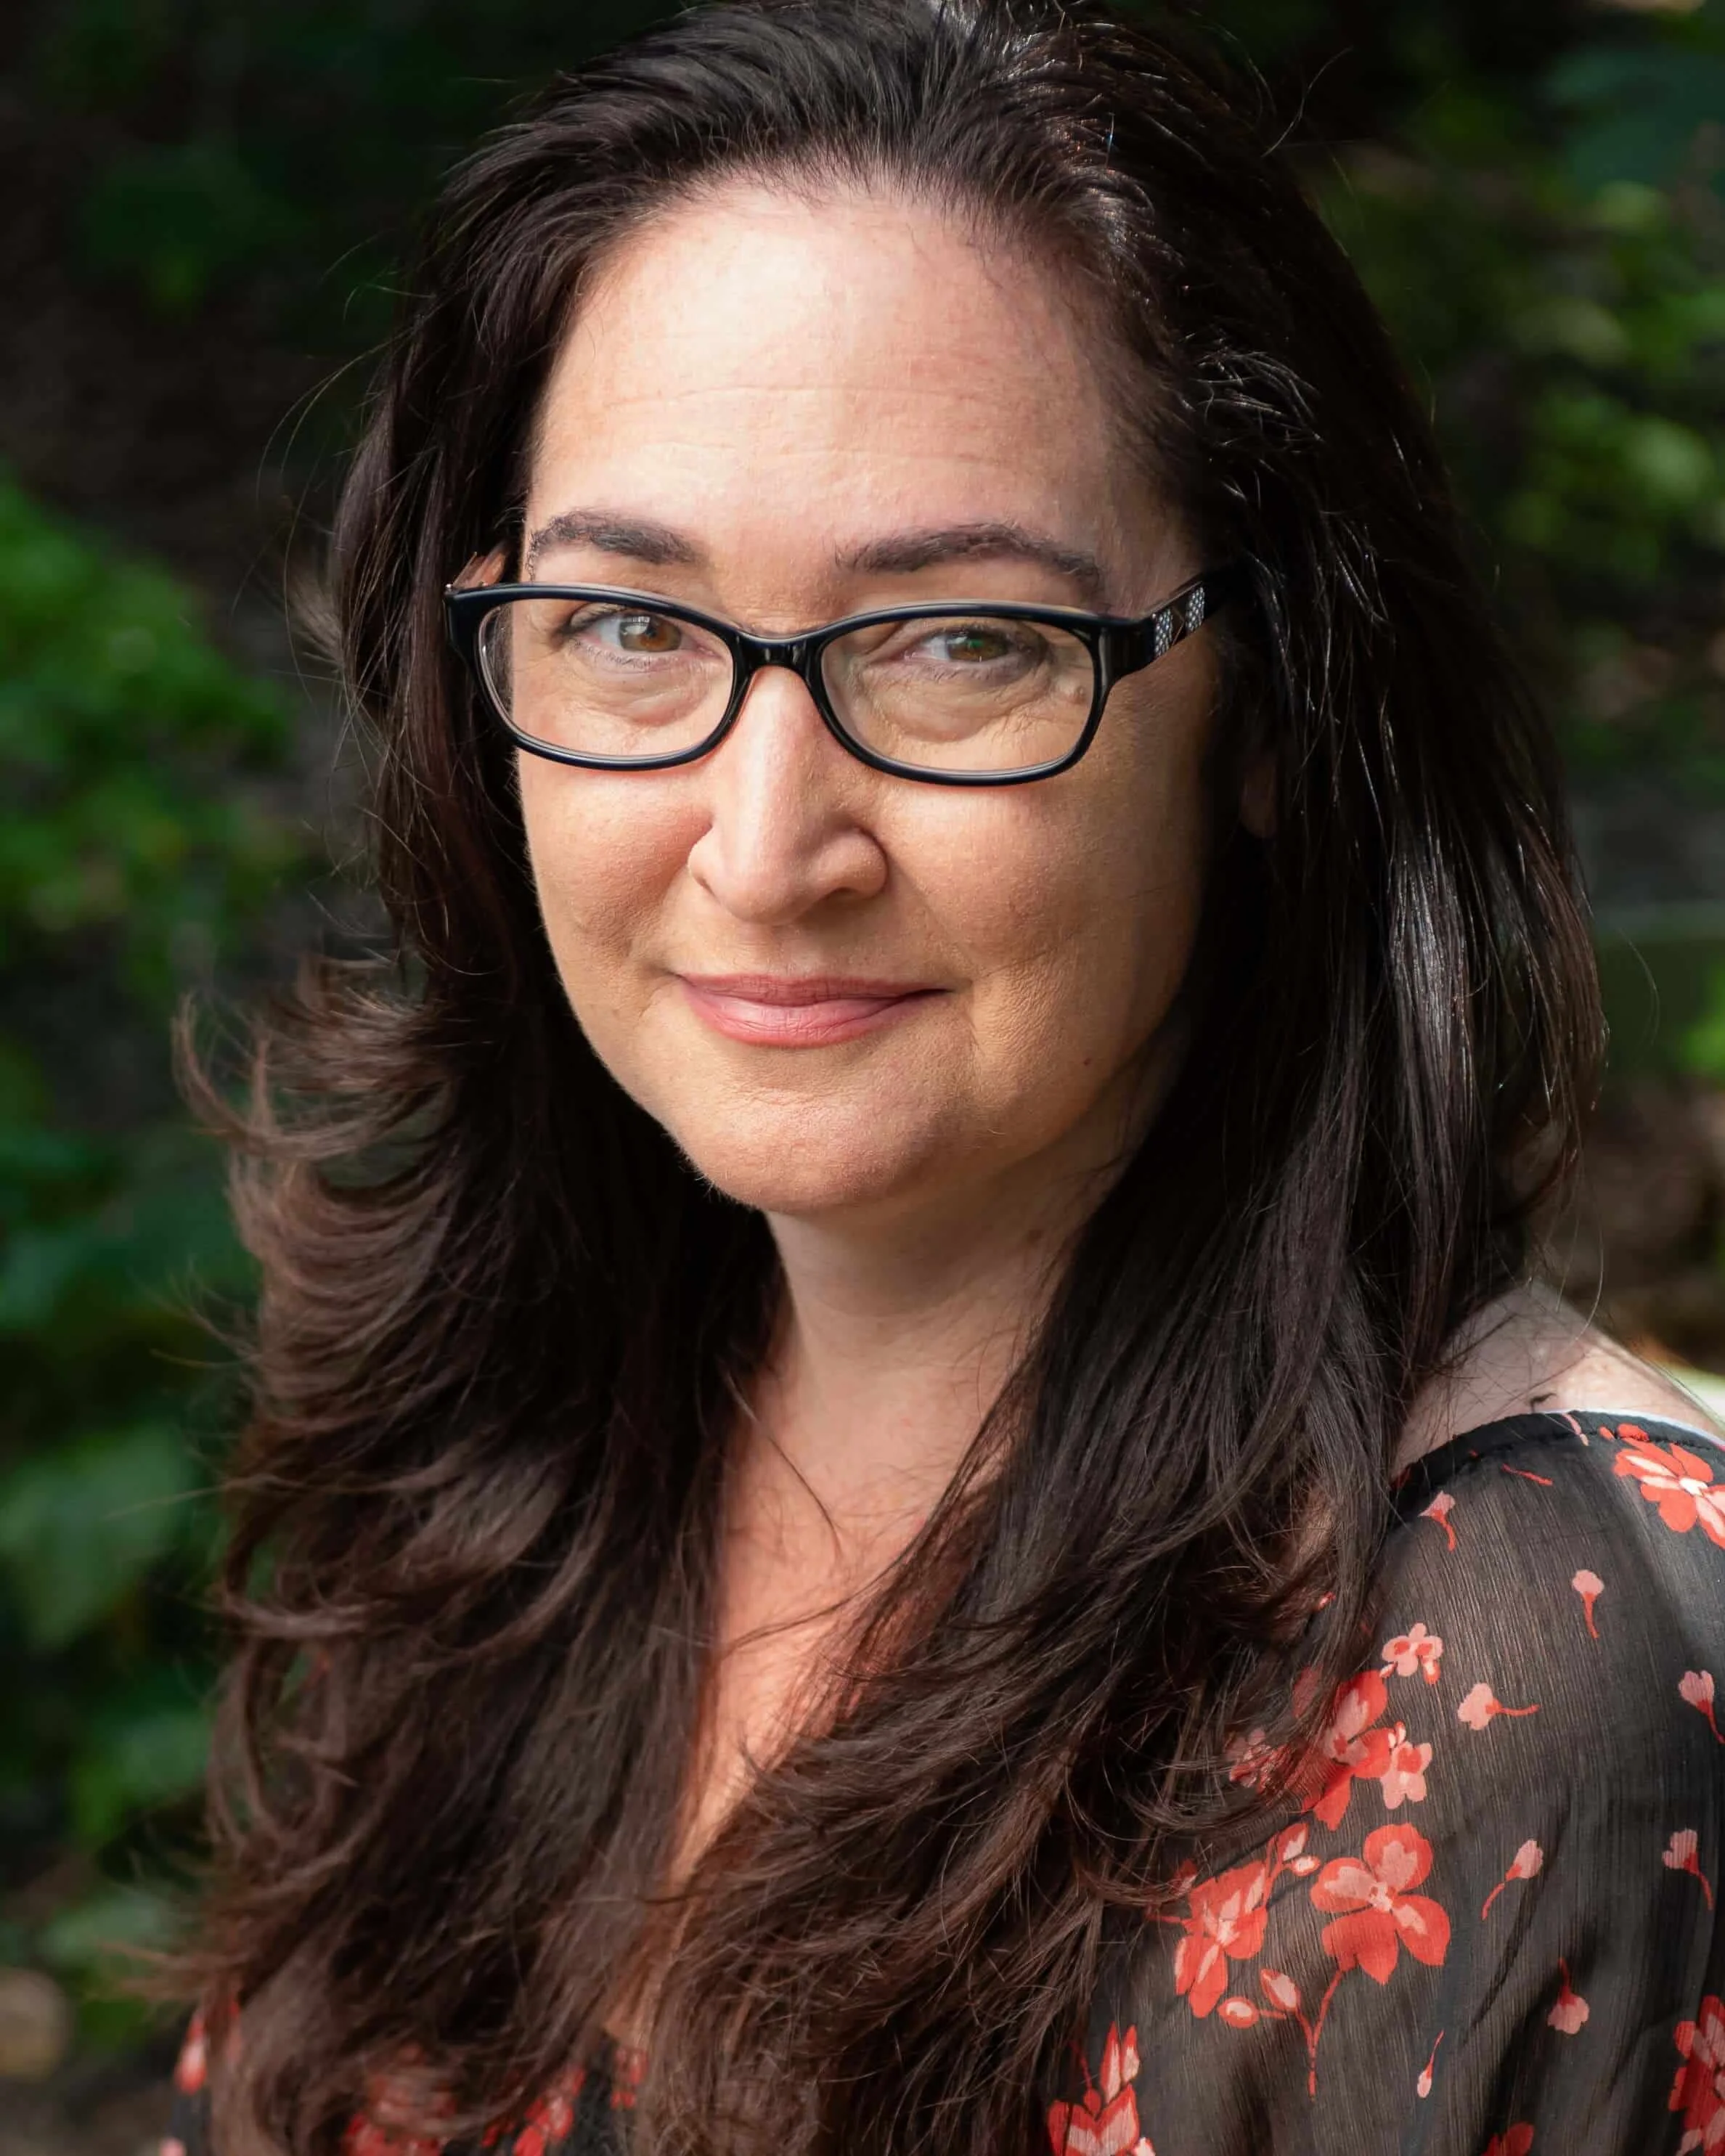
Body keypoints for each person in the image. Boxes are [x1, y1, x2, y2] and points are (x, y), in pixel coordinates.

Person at [160, 1, 1725, 2152]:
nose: (764, 843)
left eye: (961, 642)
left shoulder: (1527, 1672)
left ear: (1266, 709)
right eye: (630, 629)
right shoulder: (502, 1458)